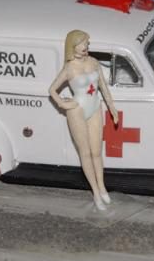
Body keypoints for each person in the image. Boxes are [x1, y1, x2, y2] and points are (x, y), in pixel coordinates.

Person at [49, 30, 118, 211]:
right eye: (83, 43)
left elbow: (103, 87)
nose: (86, 46)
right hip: (77, 111)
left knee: (96, 152)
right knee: (85, 153)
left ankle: (102, 187)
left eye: (87, 43)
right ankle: (95, 192)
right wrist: (63, 104)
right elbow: (52, 89)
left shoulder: (93, 62)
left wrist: (112, 107)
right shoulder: (69, 68)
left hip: (95, 107)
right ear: (73, 46)